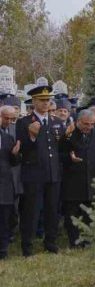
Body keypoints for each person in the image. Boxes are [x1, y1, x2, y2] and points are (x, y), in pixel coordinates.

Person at [16, 85, 66, 255]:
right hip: (34, 174)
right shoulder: (24, 122)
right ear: (34, 101)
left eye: (48, 100)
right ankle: (27, 246)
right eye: (42, 100)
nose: (46, 103)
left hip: (53, 173)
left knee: (52, 210)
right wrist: (32, 135)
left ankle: (50, 242)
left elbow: (59, 148)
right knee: (31, 211)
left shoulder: (56, 122)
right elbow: (21, 149)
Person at [61, 109, 95, 248]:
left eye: (92, 124)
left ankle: (88, 240)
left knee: (90, 213)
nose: (89, 127)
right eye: (86, 124)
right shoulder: (69, 134)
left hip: (91, 180)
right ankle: (74, 241)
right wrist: (69, 158)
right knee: (73, 213)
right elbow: (59, 154)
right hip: (72, 180)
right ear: (78, 121)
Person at [0, 109, 20, 259]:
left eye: (11, 119)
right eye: (6, 118)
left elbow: (14, 163)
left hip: (4, 185)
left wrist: (15, 154)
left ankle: (3, 250)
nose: (8, 121)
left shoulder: (8, 138)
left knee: (5, 219)